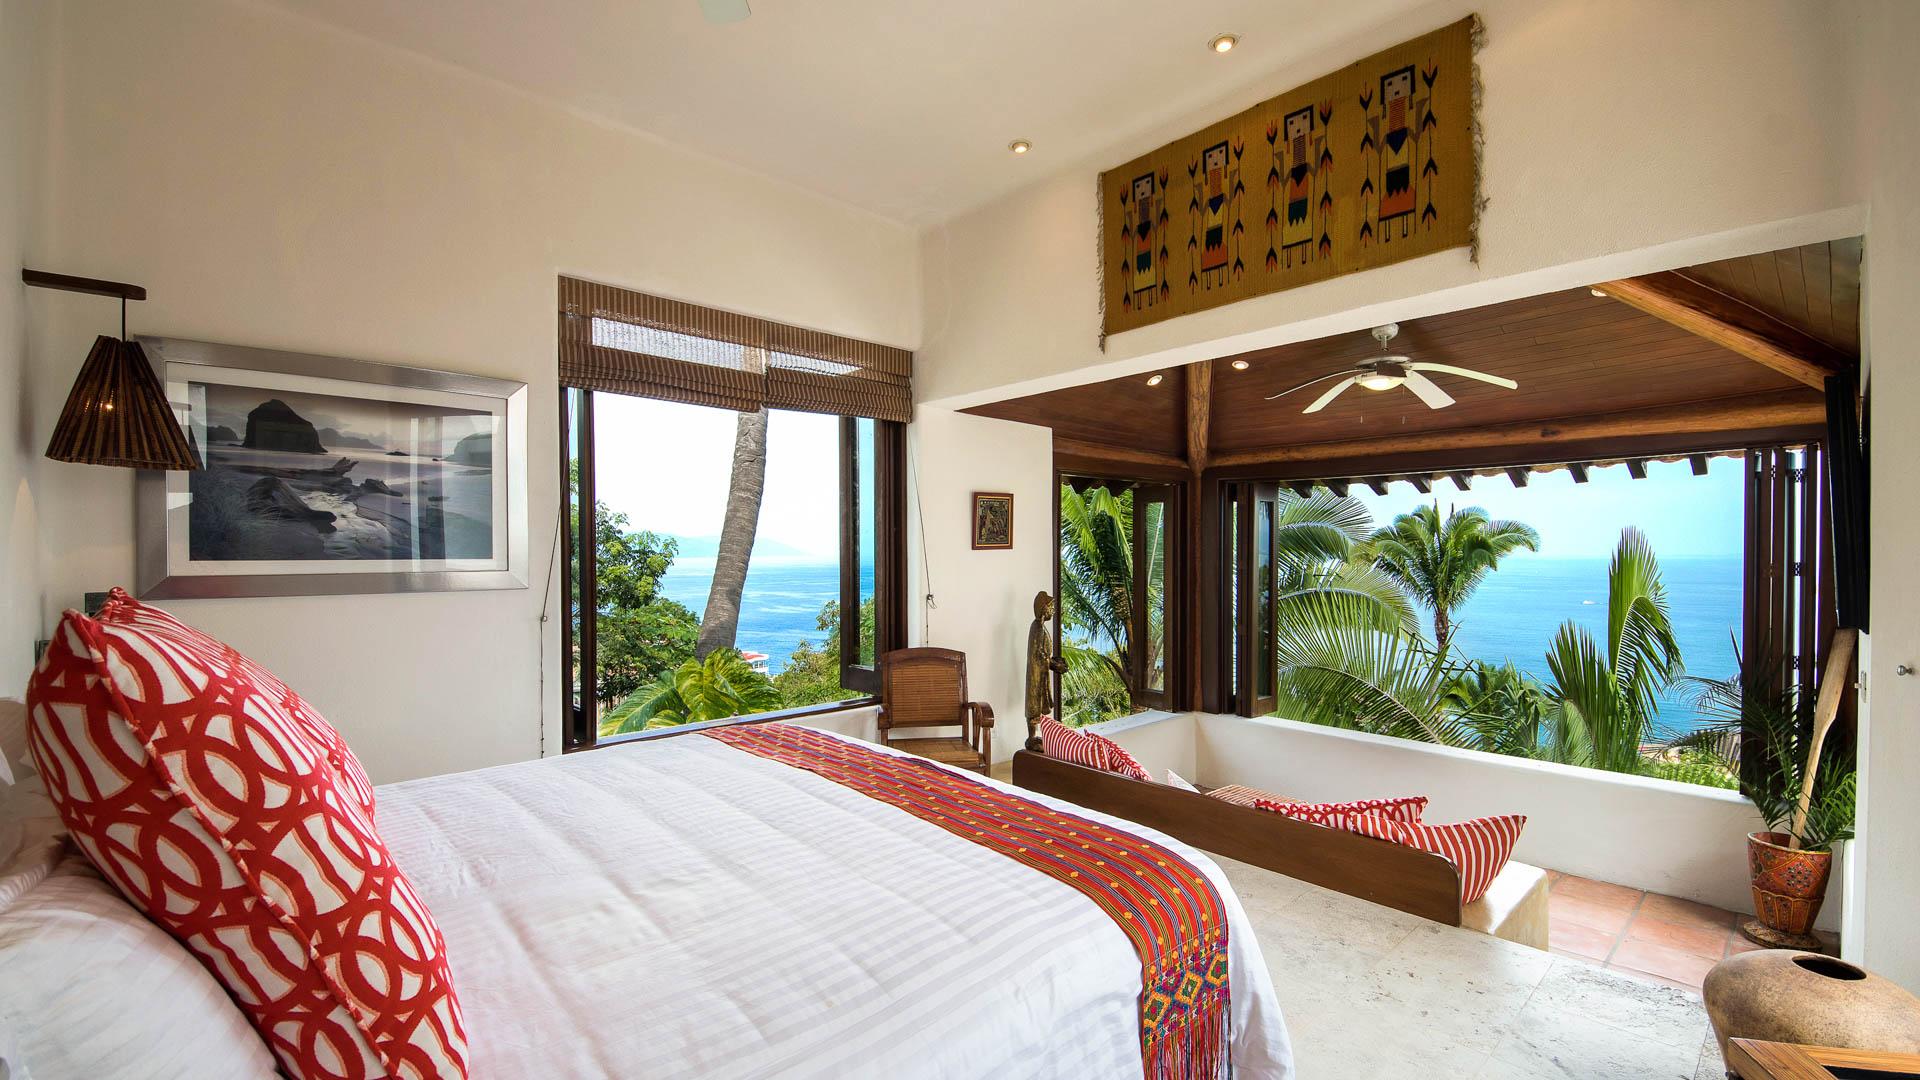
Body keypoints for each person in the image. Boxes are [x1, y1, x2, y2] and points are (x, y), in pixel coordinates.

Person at [1024, 590, 1069, 750]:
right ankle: (1032, 738)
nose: (1053, 611)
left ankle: (1034, 737)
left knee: (1038, 705)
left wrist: (1054, 661)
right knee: (1034, 706)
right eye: (1051, 608)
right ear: (1044, 609)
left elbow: (1043, 654)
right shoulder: (1037, 628)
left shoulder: (1040, 627)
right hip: (1036, 675)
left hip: (1040, 674)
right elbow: (1039, 654)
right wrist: (1054, 665)